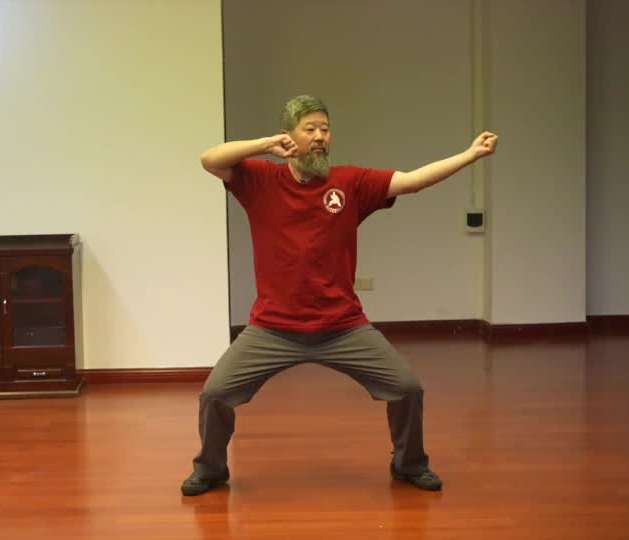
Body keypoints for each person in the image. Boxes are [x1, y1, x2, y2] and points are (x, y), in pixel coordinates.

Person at [181, 94, 498, 496]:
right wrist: (265, 145)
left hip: (343, 327)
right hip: (273, 328)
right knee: (215, 394)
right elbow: (210, 159)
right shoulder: (260, 180)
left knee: (406, 388)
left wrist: (471, 155)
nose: (320, 137)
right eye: (310, 129)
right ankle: (211, 470)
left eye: (325, 129)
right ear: (288, 136)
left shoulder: (351, 183)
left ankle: (409, 464)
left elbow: (413, 180)